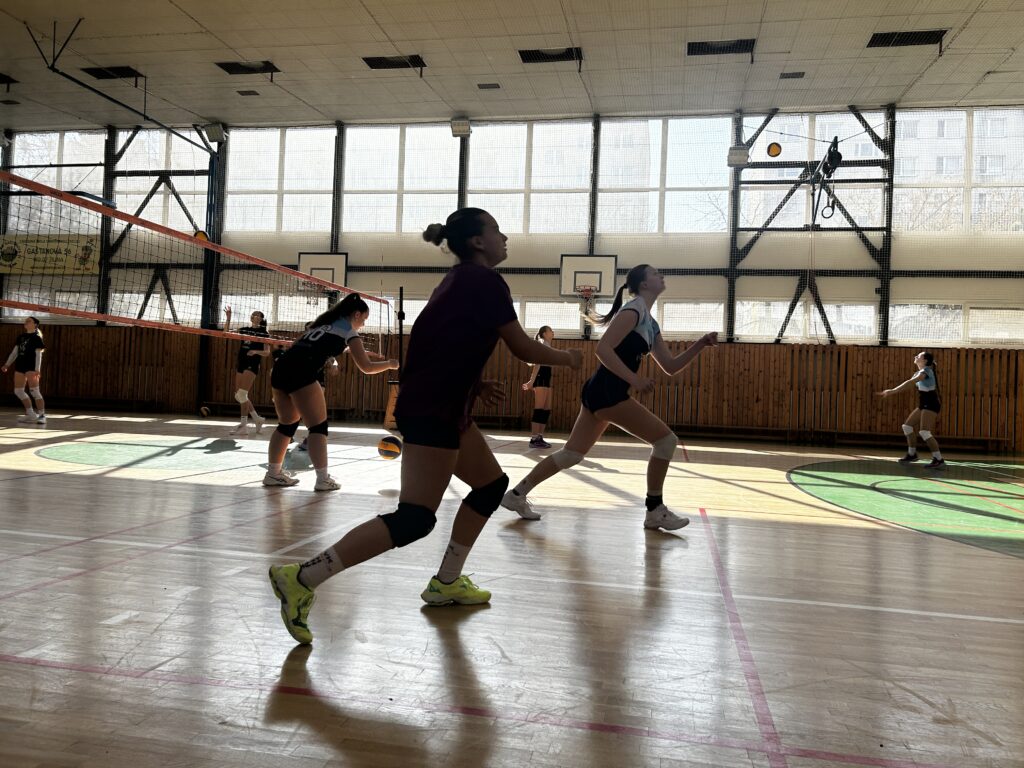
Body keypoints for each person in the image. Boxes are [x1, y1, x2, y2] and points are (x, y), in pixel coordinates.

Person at [267, 208, 582, 644]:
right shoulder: (484, 281)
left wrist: (474, 384)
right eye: (496, 230)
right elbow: (522, 347)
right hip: (435, 408)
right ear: (477, 241)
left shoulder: (455, 282)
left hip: (443, 403)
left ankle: (447, 582)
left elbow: (436, 344)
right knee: (415, 518)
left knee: (491, 486)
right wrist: (567, 357)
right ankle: (302, 577)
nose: (505, 237)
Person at [501, 264, 717, 530]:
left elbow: (670, 366)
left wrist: (700, 344)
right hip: (608, 391)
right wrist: (635, 379)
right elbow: (602, 349)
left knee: (571, 454)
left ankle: (516, 494)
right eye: (654, 273)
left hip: (600, 391)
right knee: (665, 441)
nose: (661, 275)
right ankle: (654, 509)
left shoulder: (650, 323)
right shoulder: (633, 310)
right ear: (643, 284)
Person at [264, 294, 397, 491]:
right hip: (301, 372)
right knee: (318, 427)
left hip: (280, 368)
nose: (363, 324)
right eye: (364, 319)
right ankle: (323, 479)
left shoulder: (320, 325)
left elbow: (302, 348)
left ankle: (273, 474)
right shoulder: (349, 332)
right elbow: (367, 367)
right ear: (356, 314)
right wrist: (390, 364)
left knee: (286, 425)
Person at [877, 351, 945, 469]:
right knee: (907, 427)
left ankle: (939, 459)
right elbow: (908, 384)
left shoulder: (927, 371)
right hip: (924, 404)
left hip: (931, 404)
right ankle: (912, 454)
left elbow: (911, 382)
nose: (915, 356)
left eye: (918, 356)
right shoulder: (917, 373)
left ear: (924, 360)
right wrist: (894, 391)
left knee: (924, 432)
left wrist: (893, 391)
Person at [223, 306, 270, 435]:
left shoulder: (264, 333)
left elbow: (267, 352)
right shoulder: (244, 330)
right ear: (251, 318)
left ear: (261, 319)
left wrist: (255, 351)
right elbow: (226, 333)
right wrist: (228, 318)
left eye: (258, 314)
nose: (255, 316)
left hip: (252, 364)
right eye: (253, 314)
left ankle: (244, 425)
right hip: (242, 363)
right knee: (238, 395)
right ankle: (257, 418)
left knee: (242, 394)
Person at [2, 316, 46, 424]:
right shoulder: (21, 337)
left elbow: (38, 355)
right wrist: (7, 364)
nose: (26, 322)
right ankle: (30, 414)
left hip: (31, 367)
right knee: (18, 391)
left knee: (35, 392)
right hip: (20, 366)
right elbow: (14, 352)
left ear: (35, 324)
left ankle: (42, 415)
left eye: (29, 321)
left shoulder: (37, 338)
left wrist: (37, 369)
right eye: (25, 321)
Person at [523, 325, 555, 448]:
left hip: (546, 378)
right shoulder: (542, 344)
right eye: (550, 330)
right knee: (539, 409)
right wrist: (532, 381)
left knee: (546, 409)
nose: (553, 332)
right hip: (540, 378)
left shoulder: (548, 345)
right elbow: (537, 364)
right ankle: (534, 439)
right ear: (544, 334)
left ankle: (540, 437)